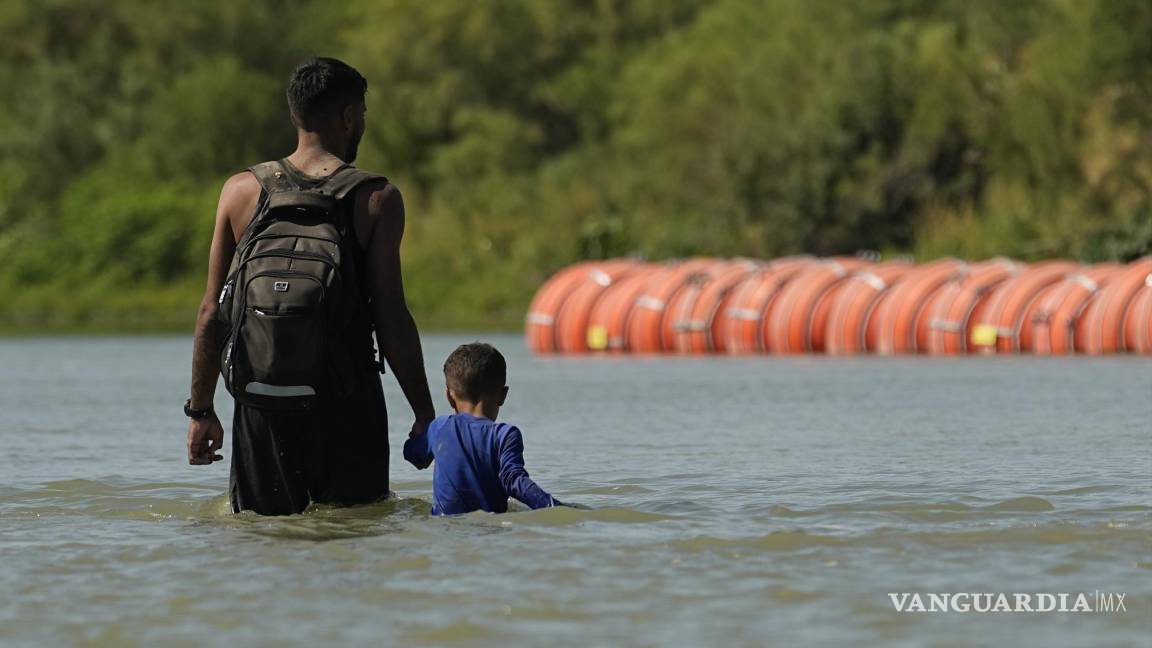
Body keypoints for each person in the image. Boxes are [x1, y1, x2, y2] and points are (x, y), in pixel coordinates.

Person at [184, 57, 436, 515]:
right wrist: (424, 414)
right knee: (354, 528)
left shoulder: (240, 191)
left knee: (264, 535)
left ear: (295, 115)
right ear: (348, 116)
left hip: (260, 403)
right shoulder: (376, 199)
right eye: (361, 113)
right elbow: (391, 315)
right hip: (347, 402)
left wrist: (201, 412)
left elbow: (211, 312)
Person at [404, 343, 562, 515]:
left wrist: (418, 433)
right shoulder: (505, 435)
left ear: (450, 397)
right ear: (502, 395)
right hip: (490, 531)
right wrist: (555, 507)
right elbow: (513, 480)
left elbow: (414, 456)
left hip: (445, 529)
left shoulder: (438, 427)